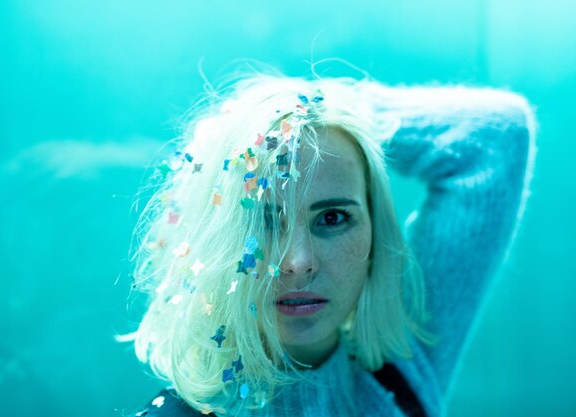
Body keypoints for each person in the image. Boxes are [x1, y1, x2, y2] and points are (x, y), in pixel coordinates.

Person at [120, 71, 538, 417]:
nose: (298, 263)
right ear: (215, 240)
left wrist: (319, 109)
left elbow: (497, 136)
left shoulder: (400, 369)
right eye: (264, 222)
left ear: (376, 235)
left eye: (333, 218)